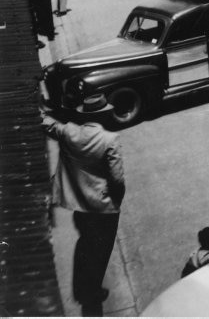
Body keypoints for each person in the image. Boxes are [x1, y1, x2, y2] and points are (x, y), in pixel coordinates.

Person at [42, 94, 126, 317]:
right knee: (99, 253)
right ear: (104, 113)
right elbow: (117, 179)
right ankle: (92, 293)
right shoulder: (110, 139)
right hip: (103, 208)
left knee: (84, 246)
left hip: (79, 207)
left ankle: (80, 289)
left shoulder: (69, 132)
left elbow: (47, 125)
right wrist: (116, 200)